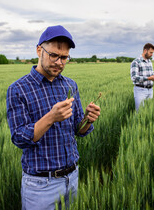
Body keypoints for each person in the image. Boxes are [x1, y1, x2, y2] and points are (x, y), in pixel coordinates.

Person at [6, 25, 101, 210]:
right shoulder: (18, 89)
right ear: (39, 50)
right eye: (54, 55)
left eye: (64, 57)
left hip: (72, 178)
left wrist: (88, 120)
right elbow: (19, 138)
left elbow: (78, 130)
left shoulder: (70, 85)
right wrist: (51, 117)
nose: (59, 62)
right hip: (41, 186)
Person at [130, 43, 154, 111]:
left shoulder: (149, 62)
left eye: (152, 53)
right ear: (145, 51)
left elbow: (150, 74)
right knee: (140, 112)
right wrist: (149, 78)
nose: (152, 54)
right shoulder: (136, 62)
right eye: (151, 52)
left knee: (148, 111)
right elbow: (134, 77)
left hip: (150, 90)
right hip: (140, 91)